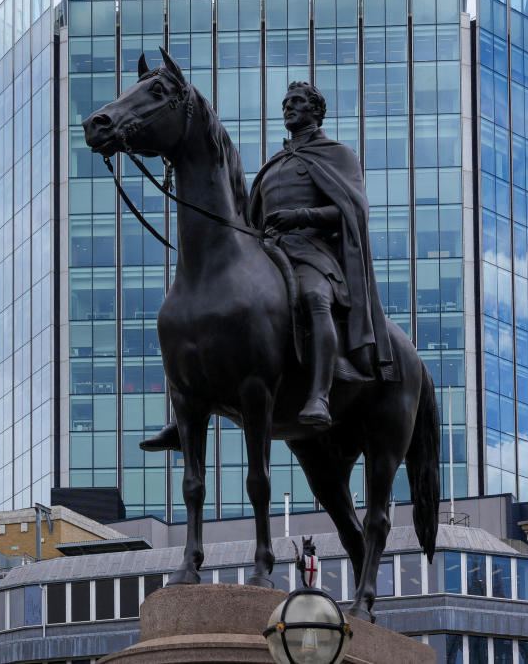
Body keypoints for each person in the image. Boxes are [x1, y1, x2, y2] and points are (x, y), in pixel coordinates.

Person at [142, 81, 393, 449]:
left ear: (316, 111)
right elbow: (248, 217)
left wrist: (299, 216)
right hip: (270, 251)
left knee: (315, 298)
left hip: (313, 252)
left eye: (297, 102)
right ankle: (183, 417)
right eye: (286, 102)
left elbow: (353, 209)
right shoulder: (274, 165)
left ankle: (319, 394)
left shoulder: (337, 155)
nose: (288, 107)